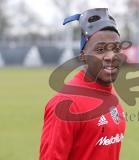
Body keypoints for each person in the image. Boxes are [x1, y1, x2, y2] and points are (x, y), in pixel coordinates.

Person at [39, 8, 126, 160]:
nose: (111, 56)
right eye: (100, 49)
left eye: (116, 49)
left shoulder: (111, 96)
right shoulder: (65, 104)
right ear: (83, 57)